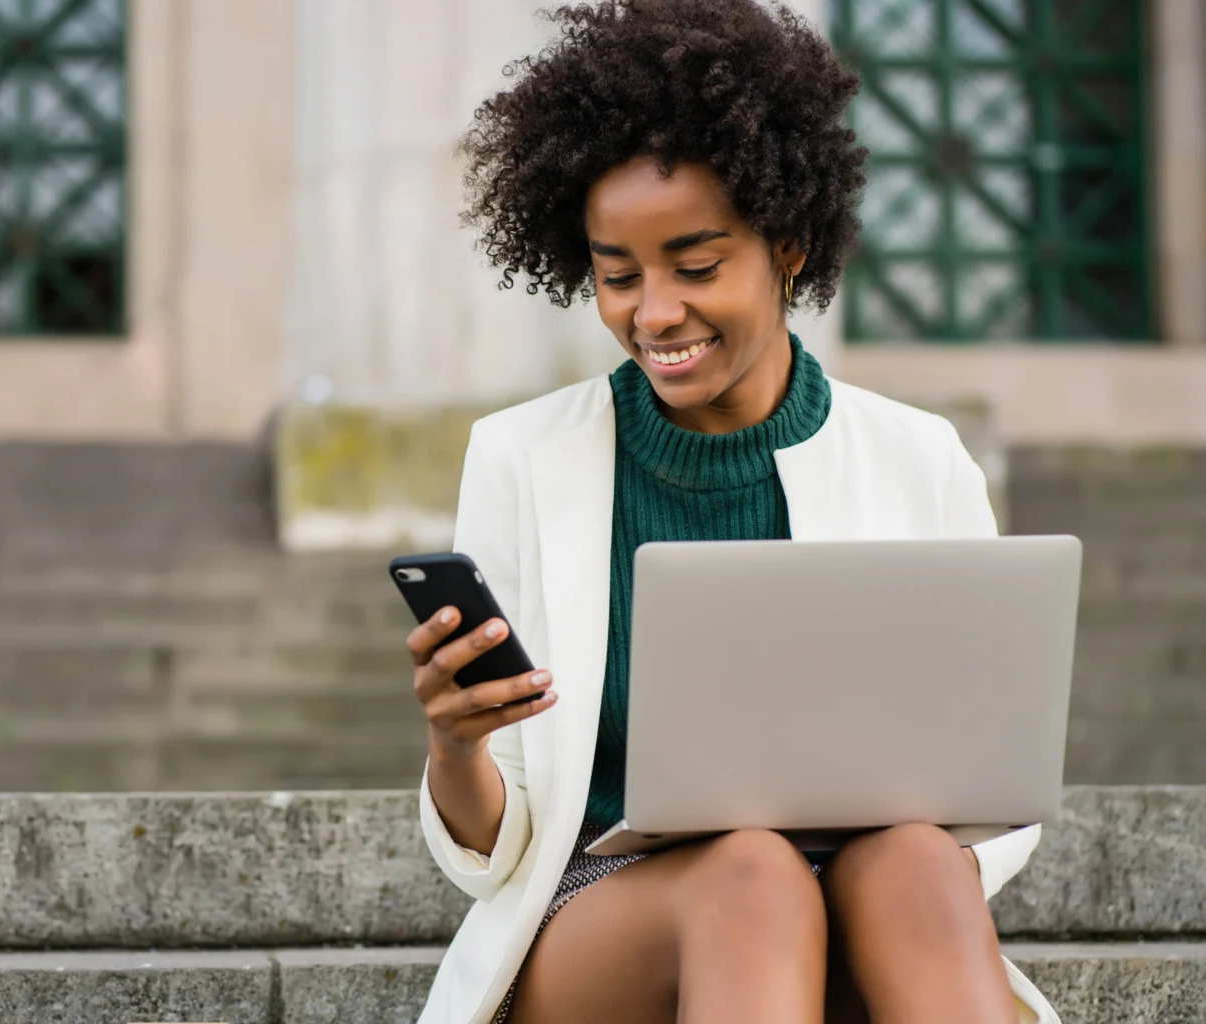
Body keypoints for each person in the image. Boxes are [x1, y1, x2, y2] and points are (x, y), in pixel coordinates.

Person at [405, 2, 1058, 1022]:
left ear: (790, 243)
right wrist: (457, 746)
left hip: (870, 904)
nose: (653, 313)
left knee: (916, 867)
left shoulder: (917, 458)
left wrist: (864, 869)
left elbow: (993, 796)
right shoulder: (522, 460)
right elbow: (498, 854)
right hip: (609, 920)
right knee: (751, 875)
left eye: (697, 266)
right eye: (617, 276)